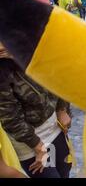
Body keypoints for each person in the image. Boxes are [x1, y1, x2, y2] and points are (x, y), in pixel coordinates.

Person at [0, 42, 72, 178]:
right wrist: (38, 147)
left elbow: (55, 77)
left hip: (55, 129)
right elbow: (10, 118)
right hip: (30, 144)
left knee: (65, 172)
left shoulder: (32, 50)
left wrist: (62, 109)